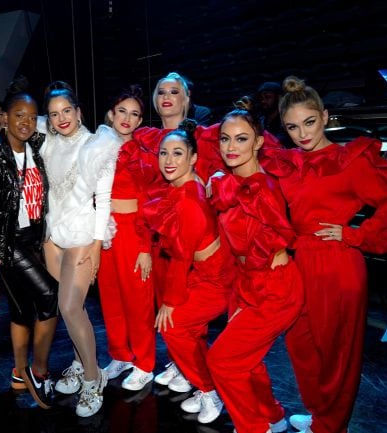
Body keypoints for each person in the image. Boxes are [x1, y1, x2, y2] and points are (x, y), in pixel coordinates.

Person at [262, 76, 387, 433]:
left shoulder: (350, 161)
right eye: (292, 127)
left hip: (338, 263)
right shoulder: (287, 162)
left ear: (325, 116)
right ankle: (322, 413)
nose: (302, 134)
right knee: (302, 345)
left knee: (338, 354)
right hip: (299, 261)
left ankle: (333, 425)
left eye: (309, 122)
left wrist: (356, 234)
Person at [205, 102, 302, 433]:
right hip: (246, 282)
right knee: (247, 361)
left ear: (259, 142)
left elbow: (283, 235)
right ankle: (273, 418)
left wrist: (277, 250)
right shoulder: (225, 182)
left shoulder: (265, 188)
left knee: (222, 361)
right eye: (225, 139)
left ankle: (253, 427)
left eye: (242, 139)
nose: (231, 147)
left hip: (274, 288)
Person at [0, 83, 59, 410]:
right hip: (7, 243)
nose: (26, 122)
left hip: (34, 239)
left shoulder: (39, 146)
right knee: (50, 295)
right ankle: (39, 370)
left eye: (33, 117)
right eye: (19, 115)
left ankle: (19, 374)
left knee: (21, 311)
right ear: (4, 117)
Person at [39, 80, 122, 417]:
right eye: (54, 114)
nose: (61, 119)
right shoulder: (47, 143)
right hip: (52, 236)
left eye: (67, 111)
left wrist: (98, 244)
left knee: (70, 307)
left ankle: (93, 377)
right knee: (72, 310)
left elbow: (103, 200)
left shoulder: (98, 145)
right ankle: (78, 360)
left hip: (83, 235)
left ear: (78, 111)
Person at [143, 121, 234, 424]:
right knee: (187, 330)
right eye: (164, 153)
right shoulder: (183, 187)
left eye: (178, 153)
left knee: (173, 326)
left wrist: (169, 302)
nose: (169, 161)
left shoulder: (189, 198)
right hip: (204, 272)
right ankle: (199, 381)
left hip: (216, 279)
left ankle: (211, 390)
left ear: (193, 158)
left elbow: (181, 257)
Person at [132, 71, 195, 392]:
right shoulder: (146, 139)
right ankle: (177, 362)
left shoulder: (204, 138)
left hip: (188, 240)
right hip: (158, 239)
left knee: (183, 308)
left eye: (174, 91)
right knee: (164, 307)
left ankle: (191, 371)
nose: (166, 97)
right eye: (160, 92)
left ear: (186, 99)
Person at [96, 84, 157, 391]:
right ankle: (120, 354)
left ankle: (145, 363)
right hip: (106, 230)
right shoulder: (97, 146)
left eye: (134, 114)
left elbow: (149, 202)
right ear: (111, 113)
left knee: (138, 301)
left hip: (134, 231)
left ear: (140, 120)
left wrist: (145, 247)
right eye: (122, 111)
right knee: (111, 298)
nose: (127, 119)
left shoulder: (144, 153)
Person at [256, 81, 294, 148]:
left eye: (267, 97)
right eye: (261, 98)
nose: (263, 101)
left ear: (279, 98)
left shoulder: (286, 119)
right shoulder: (261, 120)